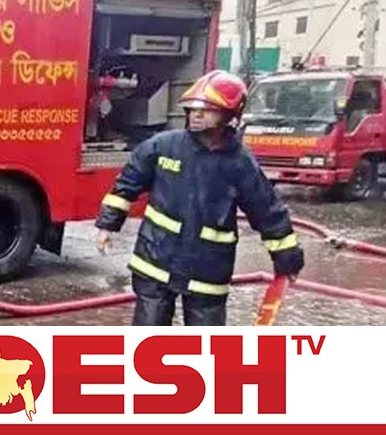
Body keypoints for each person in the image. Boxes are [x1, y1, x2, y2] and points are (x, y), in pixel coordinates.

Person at [95, 70, 306, 326]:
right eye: (193, 109)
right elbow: (127, 184)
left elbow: (267, 212)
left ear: (229, 115)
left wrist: (287, 259)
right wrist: (107, 225)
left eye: (206, 110)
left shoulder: (240, 164)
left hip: (207, 272)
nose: (196, 115)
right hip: (155, 262)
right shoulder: (163, 146)